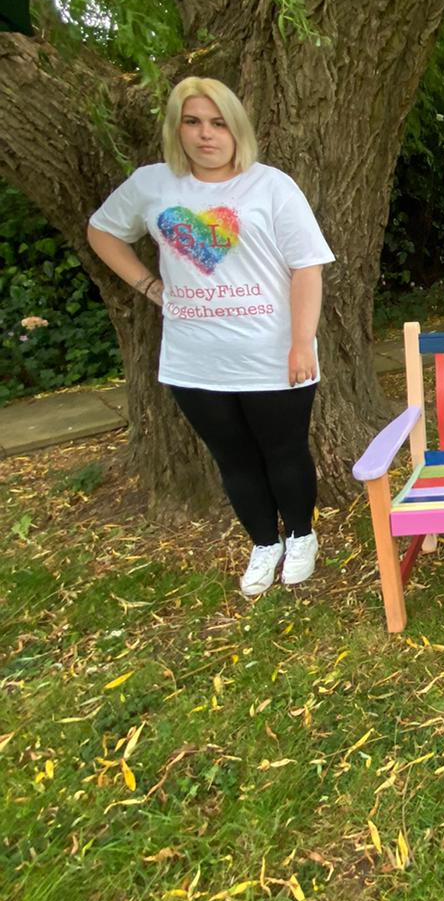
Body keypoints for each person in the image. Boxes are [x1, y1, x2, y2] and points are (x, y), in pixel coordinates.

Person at [87, 76, 335, 599]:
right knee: (233, 458)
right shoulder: (153, 185)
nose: (206, 135)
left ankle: (301, 535)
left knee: (284, 451)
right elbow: (102, 230)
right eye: (193, 122)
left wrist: (300, 342)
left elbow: (307, 267)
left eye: (218, 123)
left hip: (272, 351)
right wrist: (148, 285)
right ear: (176, 129)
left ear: (236, 128)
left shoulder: (270, 185)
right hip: (194, 357)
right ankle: (263, 543)